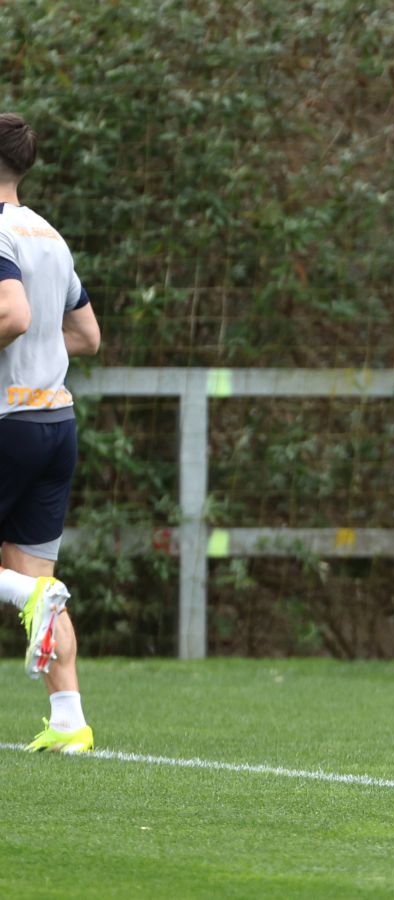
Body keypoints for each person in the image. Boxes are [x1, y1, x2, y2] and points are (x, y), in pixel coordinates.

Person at [0, 112, 101, 753]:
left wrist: (19, 332)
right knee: (37, 582)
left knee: (28, 587)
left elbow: (11, 314)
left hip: (6, 420)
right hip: (54, 422)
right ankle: (69, 722)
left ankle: (29, 595)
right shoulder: (51, 236)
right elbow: (87, 337)